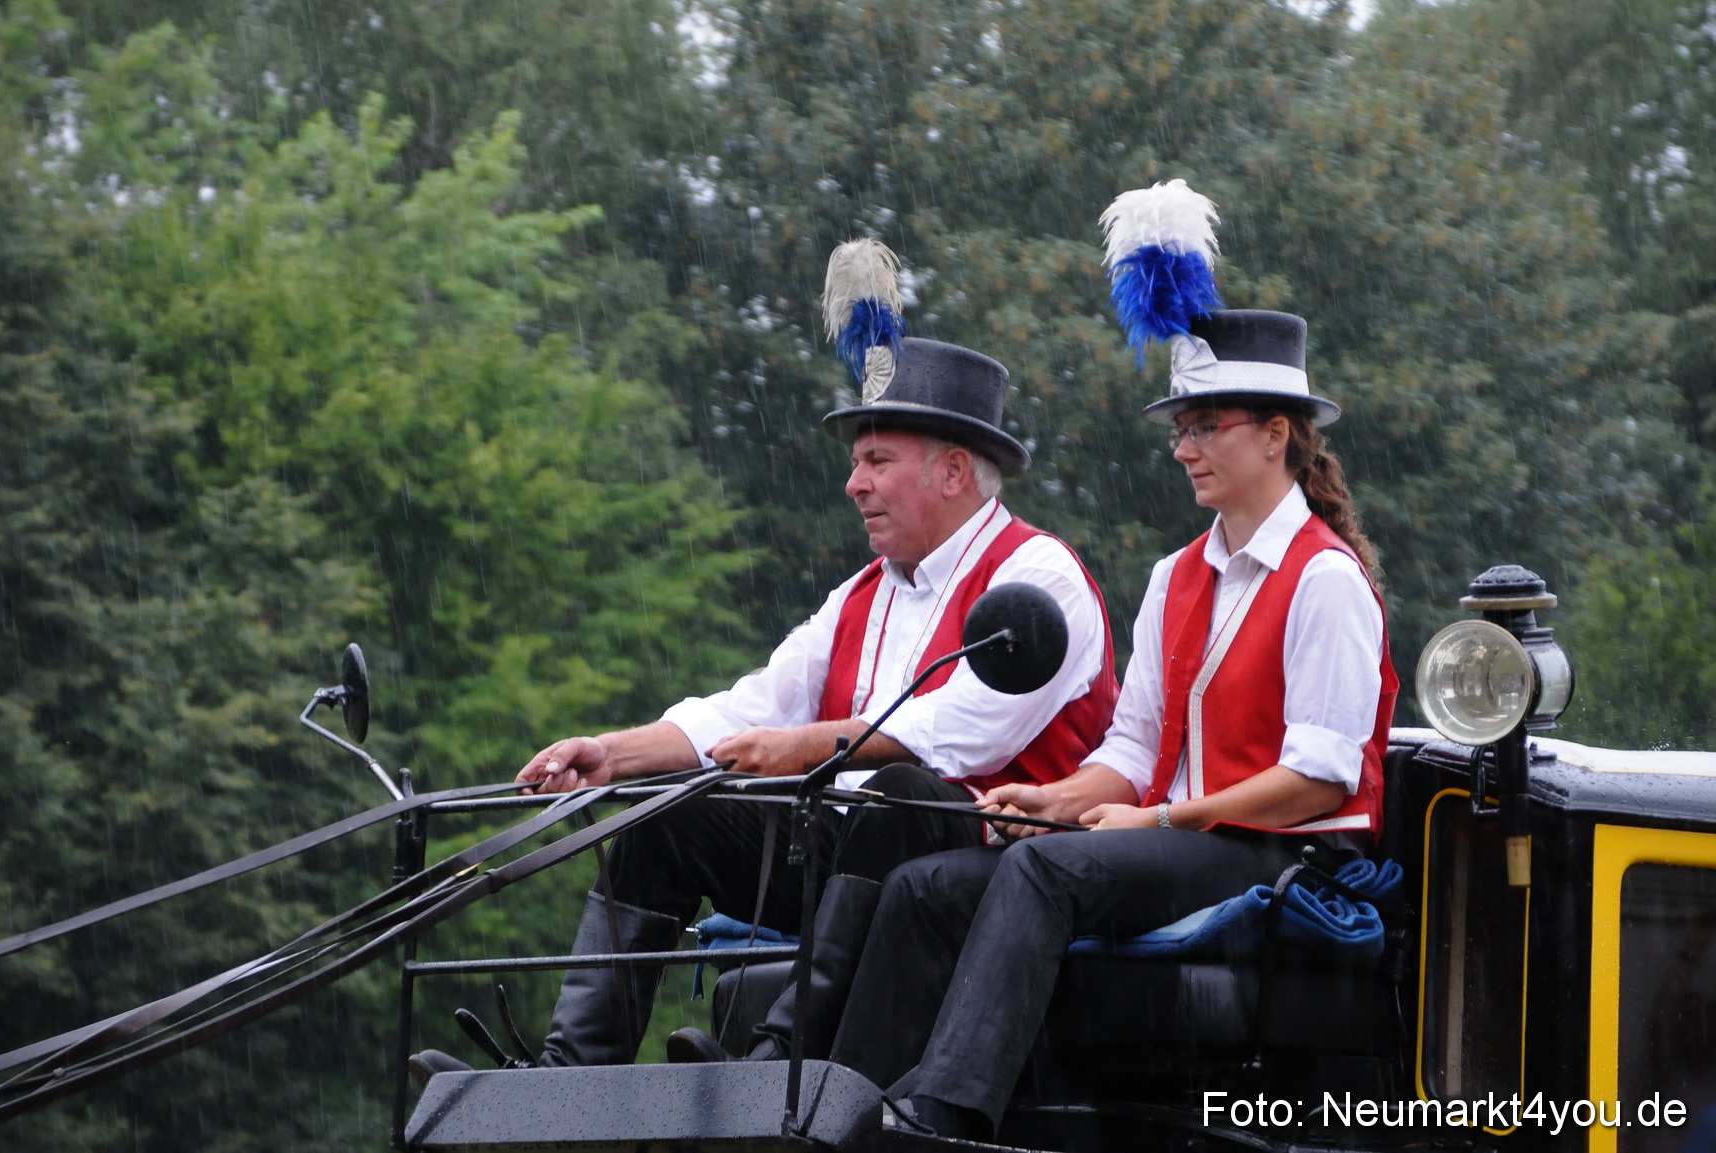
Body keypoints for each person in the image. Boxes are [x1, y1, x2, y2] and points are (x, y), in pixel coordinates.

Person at [407, 240, 1119, 1082]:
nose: (852, 484)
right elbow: (756, 703)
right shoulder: (863, 591)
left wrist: (808, 746)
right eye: (856, 461)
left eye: (875, 460)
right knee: (660, 810)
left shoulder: (1041, 576)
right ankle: (570, 1065)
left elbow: (954, 733)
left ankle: (781, 1051)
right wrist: (615, 753)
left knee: (899, 793)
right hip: (848, 854)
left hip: (986, 860)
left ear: (955, 470)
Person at [826, 304, 1398, 1142]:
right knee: (928, 885)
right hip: (1184, 837)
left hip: (1283, 853)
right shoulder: (1174, 576)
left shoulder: (1325, 580)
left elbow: (1317, 779)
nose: (1182, 447)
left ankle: (941, 1114)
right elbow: (1131, 747)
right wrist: (1053, 798)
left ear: (1276, 434)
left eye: (1204, 426)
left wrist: (1158, 816)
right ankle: (841, 1110)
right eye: (1179, 428)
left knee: (1044, 873)